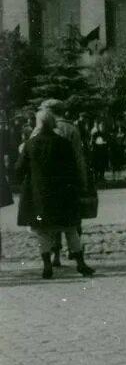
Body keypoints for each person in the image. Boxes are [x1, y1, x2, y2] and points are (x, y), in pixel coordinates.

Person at [16, 108, 93, 279]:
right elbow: (73, 168)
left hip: (39, 195)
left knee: (42, 232)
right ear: (52, 123)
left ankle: (47, 265)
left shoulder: (30, 144)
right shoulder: (63, 143)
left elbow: (19, 169)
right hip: (63, 194)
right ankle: (80, 263)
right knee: (70, 230)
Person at [40, 99, 90, 268]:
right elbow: (78, 157)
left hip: (47, 180)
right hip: (69, 180)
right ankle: (75, 253)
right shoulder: (72, 129)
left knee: (50, 220)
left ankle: (55, 256)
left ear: (49, 111)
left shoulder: (41, 128)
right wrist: (83, 180)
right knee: (72, 219)